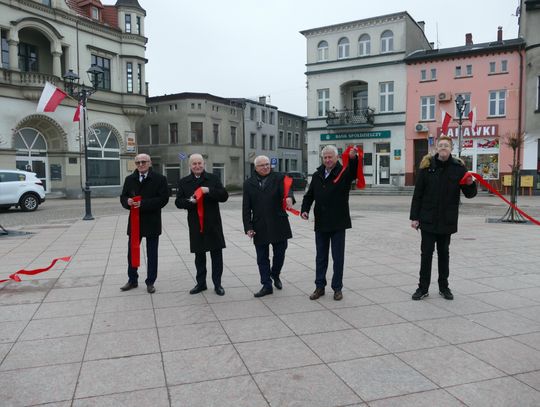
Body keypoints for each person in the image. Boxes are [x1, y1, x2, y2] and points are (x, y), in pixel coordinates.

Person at [410, 136, 477, 301]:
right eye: (440, 145)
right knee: (426, 254)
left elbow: (470, 194)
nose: (443, 148)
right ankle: (422, 288)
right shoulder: (426, 167)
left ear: (451, 148)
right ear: (436, 148)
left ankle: (444, 287)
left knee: (443, 254)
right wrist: (414, 217)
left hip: (447, 219)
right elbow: (417, 194)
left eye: (446, 145)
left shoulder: (458, 168)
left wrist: (470, 183)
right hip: (428, 219)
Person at [301, 145, 358, 301]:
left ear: (336, 157)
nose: (327, 160)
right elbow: (309, 195)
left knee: (337, 257)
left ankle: (337, 288)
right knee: (321, 257)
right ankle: (319, 287)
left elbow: (353, 172)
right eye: (325, 157)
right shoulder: (317, 174)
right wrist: (304, 209)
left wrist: (353, 159)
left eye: (330, 157)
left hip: (338, 222)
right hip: (321, 222)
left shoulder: (343, 172)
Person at [176, 154, 228, 296]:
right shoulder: (184, 182)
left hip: (213, 223)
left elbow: (224, 196)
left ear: (204, 164)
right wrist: (189, 202)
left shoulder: (213, 178)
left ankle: (217, 284)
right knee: (199, 256)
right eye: (194, 164)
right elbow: (178, 202)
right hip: (195, 224)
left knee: (216, 255)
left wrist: (208, 191)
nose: (197, 166)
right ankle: (201, 283)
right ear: (190, 166)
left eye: (199, 163)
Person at [243, 155, 295, 298]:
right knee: (262, 257)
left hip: (279, 222)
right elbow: (246, 208)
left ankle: (275, 274)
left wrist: (289, 197)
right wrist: (248, 227)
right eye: (262, 165)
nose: (266, 167)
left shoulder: (279, 177)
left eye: (267, 164)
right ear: (256, 167)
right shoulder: (248, 183)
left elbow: (287, 189)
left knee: (280, 253)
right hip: (259, 225)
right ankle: (266, 285)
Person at [120, 153, 169, 293]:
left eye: (143, 162)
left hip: (152, 221)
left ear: (150, 163)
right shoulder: (129, 179)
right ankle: (132, 280)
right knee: (131, 252)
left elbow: (163, 199)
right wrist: (127, 202)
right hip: (135, 223)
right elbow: (123, 196)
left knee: (152, 253)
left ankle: (150, 282)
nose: (140, 164)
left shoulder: (160, 179)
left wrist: (143, 204)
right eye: (138, 162)